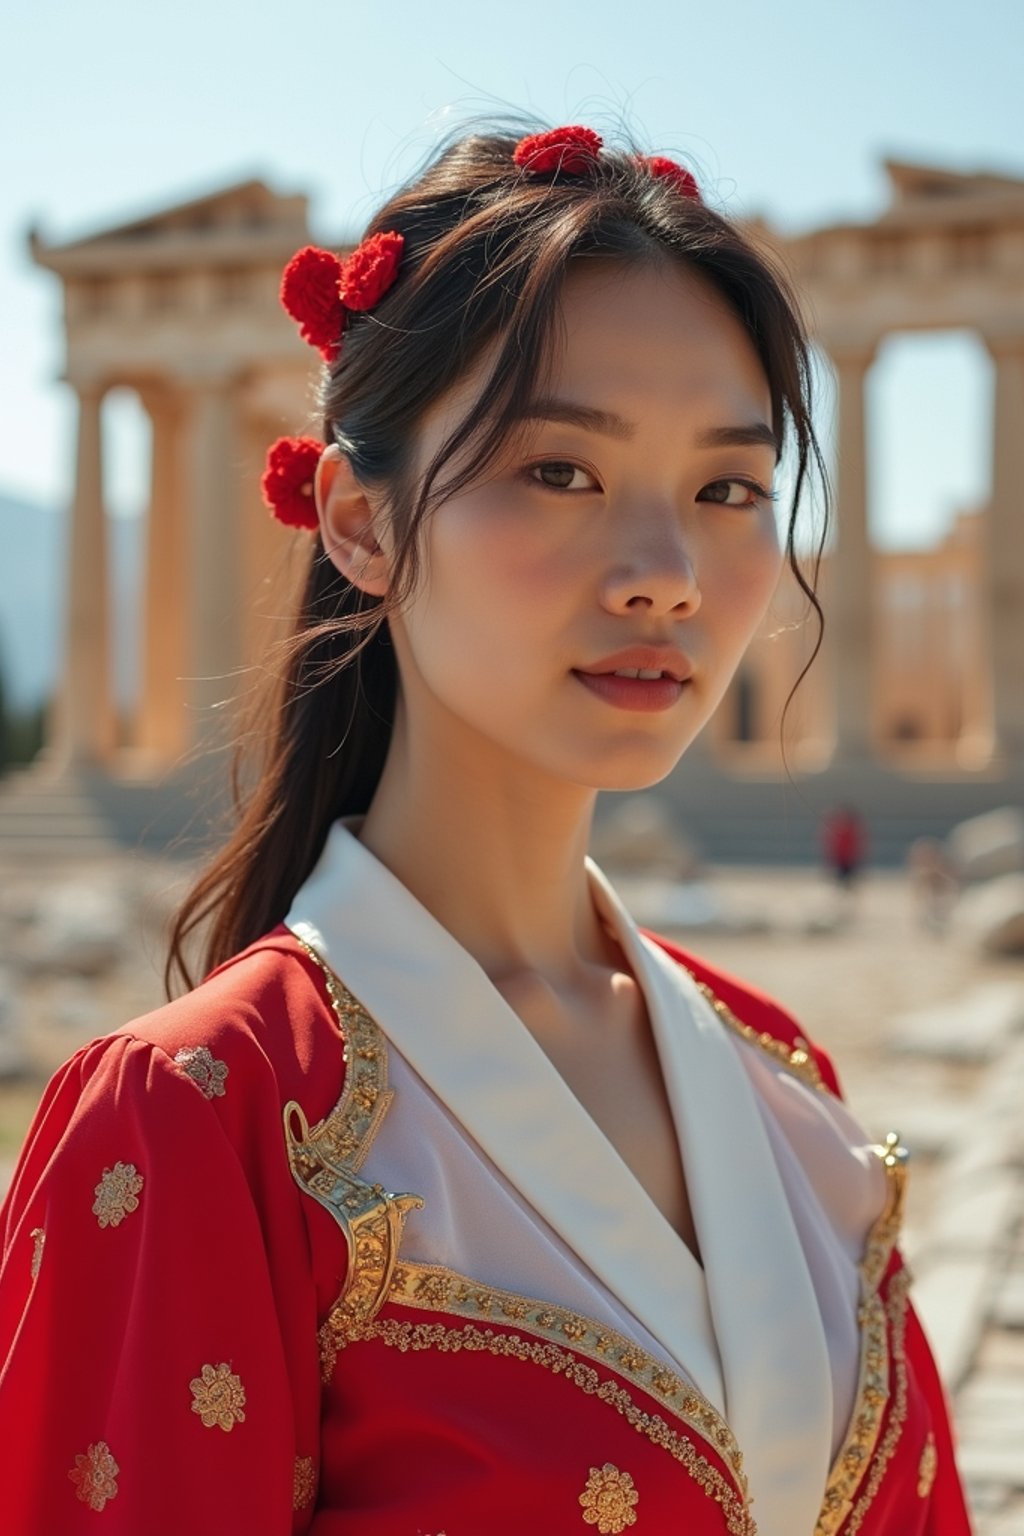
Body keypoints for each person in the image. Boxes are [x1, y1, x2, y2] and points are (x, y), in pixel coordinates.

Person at [0, 123, 969, 1535]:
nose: (664, 575)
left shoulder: (782, 1080)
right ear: (358, 522)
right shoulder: (204, 1117)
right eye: (560, 473)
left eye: (730, 488)